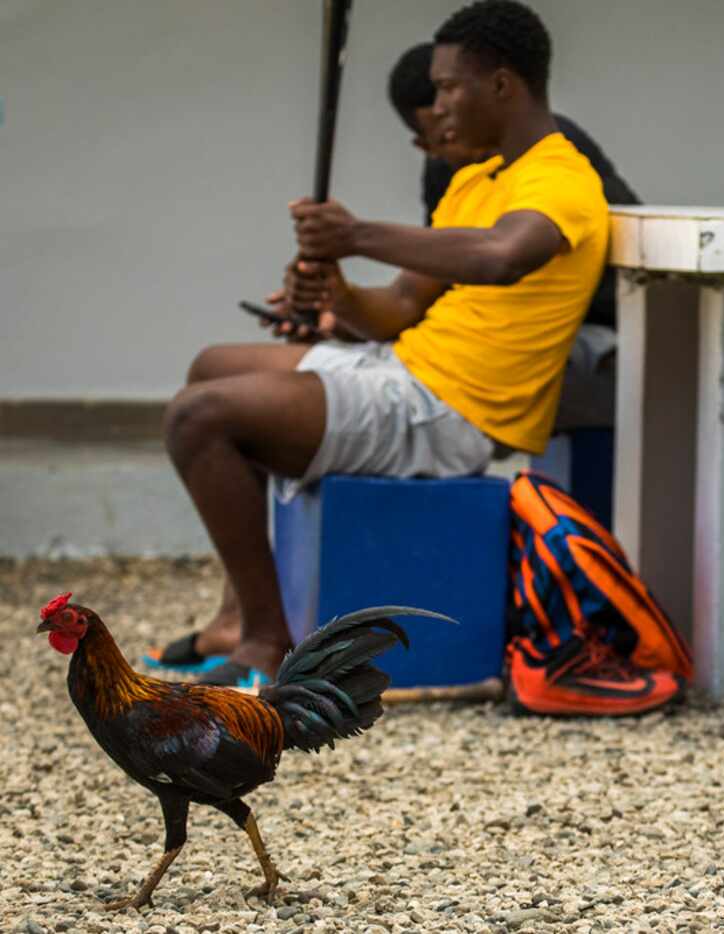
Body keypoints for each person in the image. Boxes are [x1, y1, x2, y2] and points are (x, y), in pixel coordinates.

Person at [156, 0, 611, 687]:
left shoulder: (563, 179)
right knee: (211, 367)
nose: (438, 103)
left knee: (199, 418)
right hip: (408, 371)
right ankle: (238, 613)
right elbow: (397, 309)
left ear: (503, 84)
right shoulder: (476, 180)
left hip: (452, 412)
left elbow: (501, 257)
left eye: (449, 85)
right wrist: (334, 294)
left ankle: (263, 638)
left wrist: (356, 234)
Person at [388, 41, 638, 430]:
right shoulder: (445, 171)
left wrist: (357, 238)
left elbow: (502, 259)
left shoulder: (553, 153)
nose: (453, 134)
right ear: (424, 145)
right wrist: (341, 310)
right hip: (505, 338)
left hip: (599, 329)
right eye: (440, 138)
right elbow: (434, 283)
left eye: (455, 121)